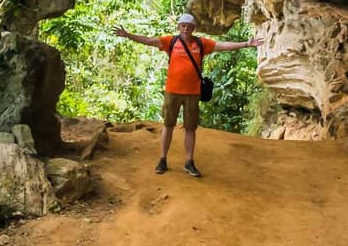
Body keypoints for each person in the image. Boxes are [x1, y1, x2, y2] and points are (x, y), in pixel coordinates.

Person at [112, 12, 262, 177]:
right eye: (183, 26)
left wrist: (247, 44)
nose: (185, 29)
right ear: (179, 27)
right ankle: (162, 159)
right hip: (172, 92)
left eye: (189, 26)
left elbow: (222, 45)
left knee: (190, 128)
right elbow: (149, 40)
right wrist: (128, 35)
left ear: (193, 28)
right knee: (168, 125)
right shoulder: (171, 41)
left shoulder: (200, 44)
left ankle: (189, 161)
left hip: (193, 93)